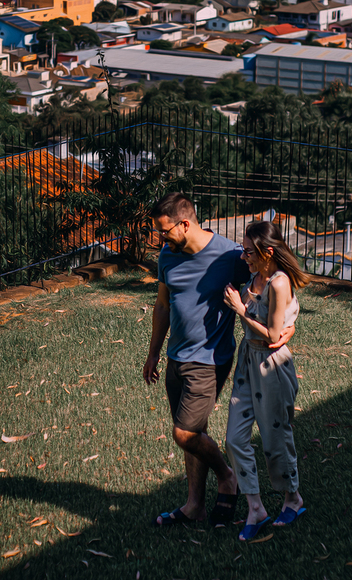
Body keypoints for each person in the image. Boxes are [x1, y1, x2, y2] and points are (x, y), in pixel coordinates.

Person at [144, 193, 292, 528]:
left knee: (184, 432)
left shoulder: (230, 255)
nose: (160, 238)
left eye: (165, 230)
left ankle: (227, 477)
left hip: (210, 358)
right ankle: (194, 504)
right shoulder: (168, 255)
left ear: (185, 223)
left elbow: (275, 276)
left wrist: (289, 323)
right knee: (194, 436)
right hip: (175, 356)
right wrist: (154, 351)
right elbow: (163, 304)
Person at [222, 220, 309, 542]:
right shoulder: (254, 276)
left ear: (267, 252)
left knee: (275, 439)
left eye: (248, 251)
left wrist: (240, 310)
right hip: (248, 361)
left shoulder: (278, 282)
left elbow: (274, 334)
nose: (243, 256)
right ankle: (255, 507)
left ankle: (292, 499)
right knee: (234, 438)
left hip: (272, 367)